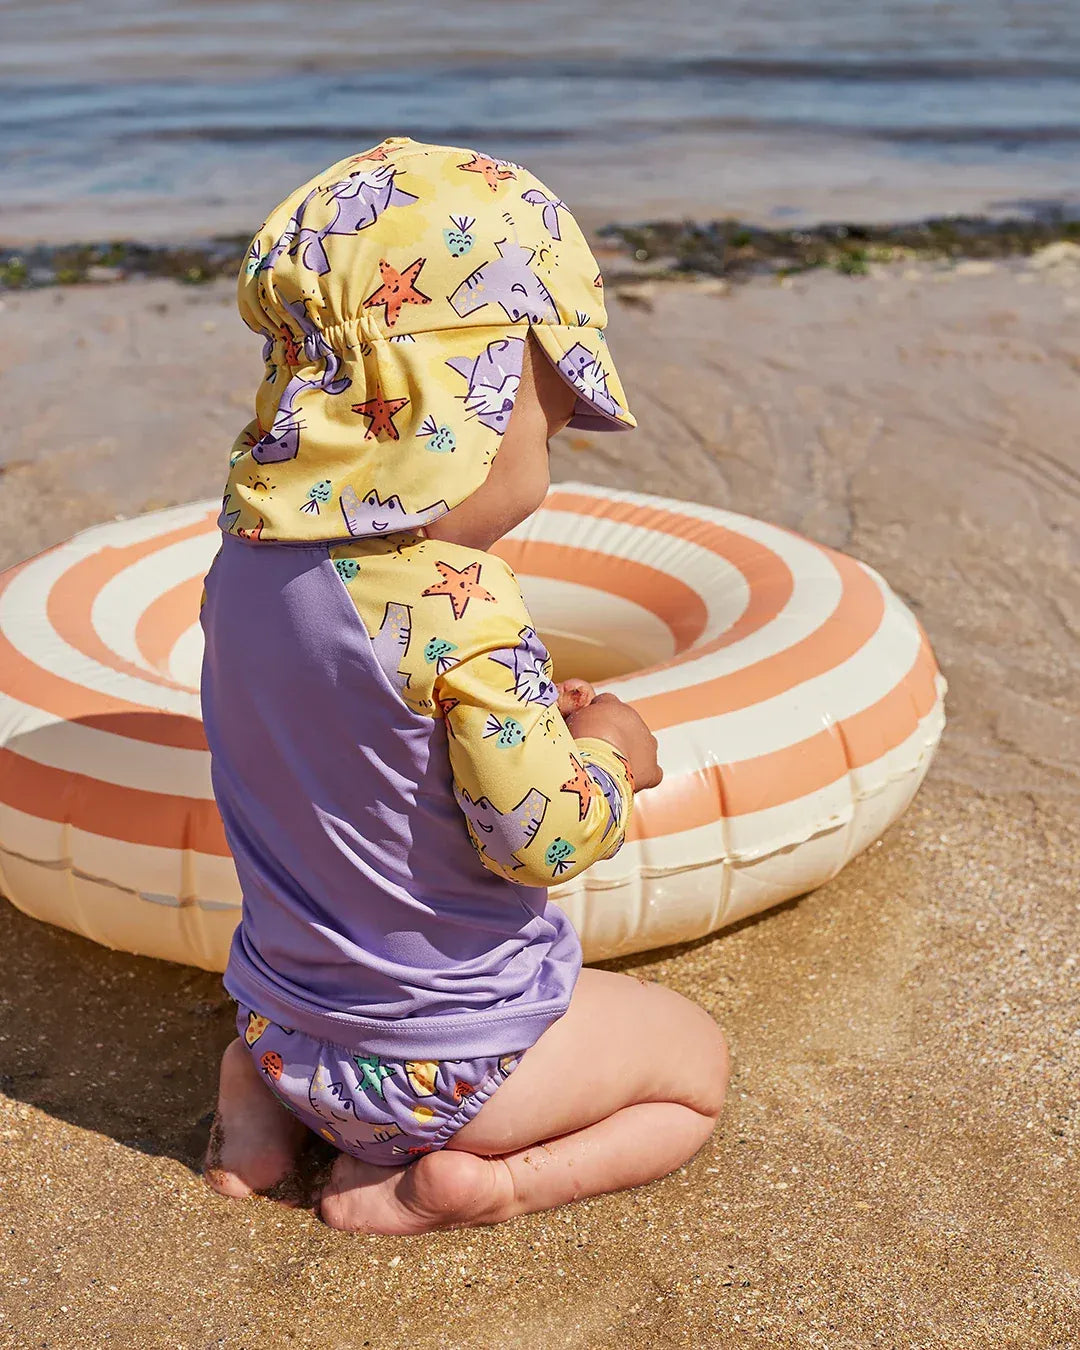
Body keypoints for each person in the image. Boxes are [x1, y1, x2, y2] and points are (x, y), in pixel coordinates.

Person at [200, 137, 729, 1234]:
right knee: (693, 1069)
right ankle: (477, 1185)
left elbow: (355, 742)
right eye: (549, 407)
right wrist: (611, 755)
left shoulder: (243, 567)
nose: (559, 434)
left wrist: (517, 714)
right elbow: (537, 841)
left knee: (295, 1014)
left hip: (280, 1022)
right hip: (451, 1070)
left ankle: (256, 1112)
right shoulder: (454, 601)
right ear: (472, 406)